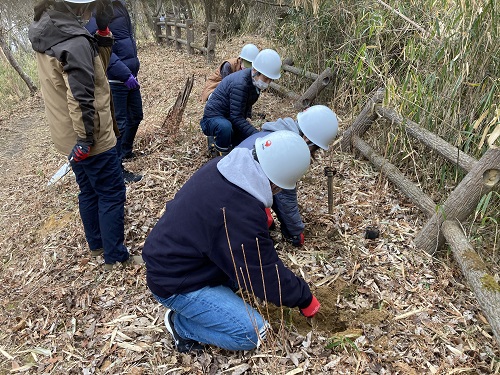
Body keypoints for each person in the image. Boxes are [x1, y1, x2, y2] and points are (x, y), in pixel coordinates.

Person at [142, 131, 321, 352]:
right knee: (254, 333)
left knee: (242, 278)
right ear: (278, 182)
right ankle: (181, 326)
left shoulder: (226, 167)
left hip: (184, 260)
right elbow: (263, 272)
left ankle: (208, 306)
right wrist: (303, 298)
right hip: (177, 282)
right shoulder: (240, 210)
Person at [29, 0, 142, 270]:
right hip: (90, 137)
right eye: (92, 7)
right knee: (111, 192)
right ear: (79, 7)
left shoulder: (50, 28)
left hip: (69, 134)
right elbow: (80, 97)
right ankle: (115, 257)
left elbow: (94, 71)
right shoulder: (73, 40)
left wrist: (102, 34)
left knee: (89, 191)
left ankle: (97, 245)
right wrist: (85, 140)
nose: (93, 12)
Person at [238, 105, 339, 247]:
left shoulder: (276, 132)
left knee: (267, 220)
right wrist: (295, 233)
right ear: (307, 140)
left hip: (233, 184)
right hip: (235, 199)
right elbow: (285, 197)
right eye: (314, 148)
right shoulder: (286, 150)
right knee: (263, 224)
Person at [86, 0, 143, 183]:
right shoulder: (97, 8)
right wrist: (123, 73)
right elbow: (98, 46)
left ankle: (125, 152)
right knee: (120, 124)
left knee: (136, 116)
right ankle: (118, 169)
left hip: (129, 75)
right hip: (115, 78)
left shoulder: (118, 5)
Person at [200, 49, 282, 156]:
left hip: (229, 116)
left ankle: (230, 145)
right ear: (255, 71)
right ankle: (219, 153)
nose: (267, 83)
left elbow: (243, 108)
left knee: (244, 141)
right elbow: (236, 117)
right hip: (213, 118)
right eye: (266, 79)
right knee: (225, 127)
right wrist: (257, 135)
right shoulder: (240, 84)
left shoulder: (253, 84)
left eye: (270, 80)